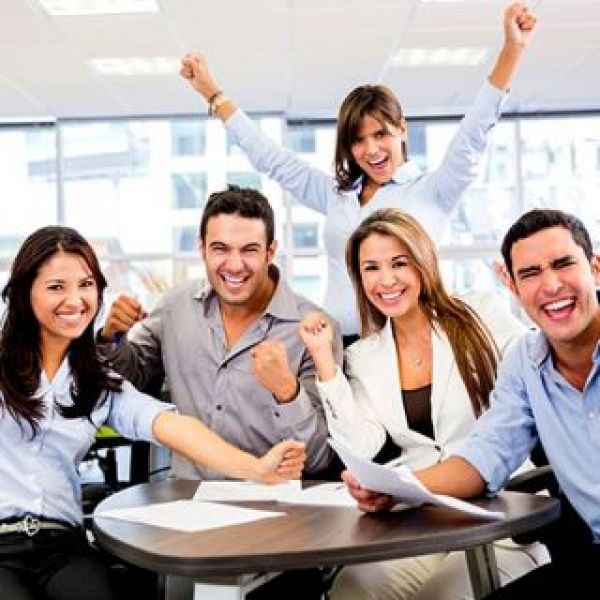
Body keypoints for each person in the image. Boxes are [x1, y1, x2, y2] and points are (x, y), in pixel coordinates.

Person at [180, 2, 537, 340]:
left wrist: (512, 50)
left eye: (381, 134)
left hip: (404, 345)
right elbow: (271, 158)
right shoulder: (338, 196)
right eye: (358, 140)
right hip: (338, 345)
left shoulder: (435, 190)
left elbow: (473, 133)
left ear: (402, 129)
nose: (371, 150)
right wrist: (213, 94)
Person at [0, 226, 306, 600]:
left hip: (61, 547)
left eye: (86, 285)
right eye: (56, 287)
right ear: (24, 292)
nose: (75, 300)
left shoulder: (97, 381)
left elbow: (172, 426)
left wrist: (257, 469)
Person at [345, 208, 600, 597]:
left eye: (563, 264)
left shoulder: (480, 318)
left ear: (595, 268)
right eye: (531, 273)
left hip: (517, 528)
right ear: (511, 284)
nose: (551, 285)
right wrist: (395, 488)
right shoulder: (525, 363)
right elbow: (485, 455)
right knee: (355, 585)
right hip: (587, 557)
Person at [298, 208, 546, 599]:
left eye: (399, 263)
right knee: (351, 589)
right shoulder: (363, 355)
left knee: (440, 595)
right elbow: (360, 445)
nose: (386, 280)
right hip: (421, 521)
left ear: (423, 262)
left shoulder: (480, 313)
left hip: (500, 518)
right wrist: (324, 362)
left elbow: (538, 368)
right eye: (371, 268)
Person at [98, 185, 342, 480]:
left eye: (249, 250)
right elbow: (128, 385)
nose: (235, 265)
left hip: (274, 498)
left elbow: (318, 458)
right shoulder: (175, 307)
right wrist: (111, 338)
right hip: (187, 496)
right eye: (220, 249)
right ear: (202, 248)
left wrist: (287, 392)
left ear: (271, 252)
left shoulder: (315, 331)